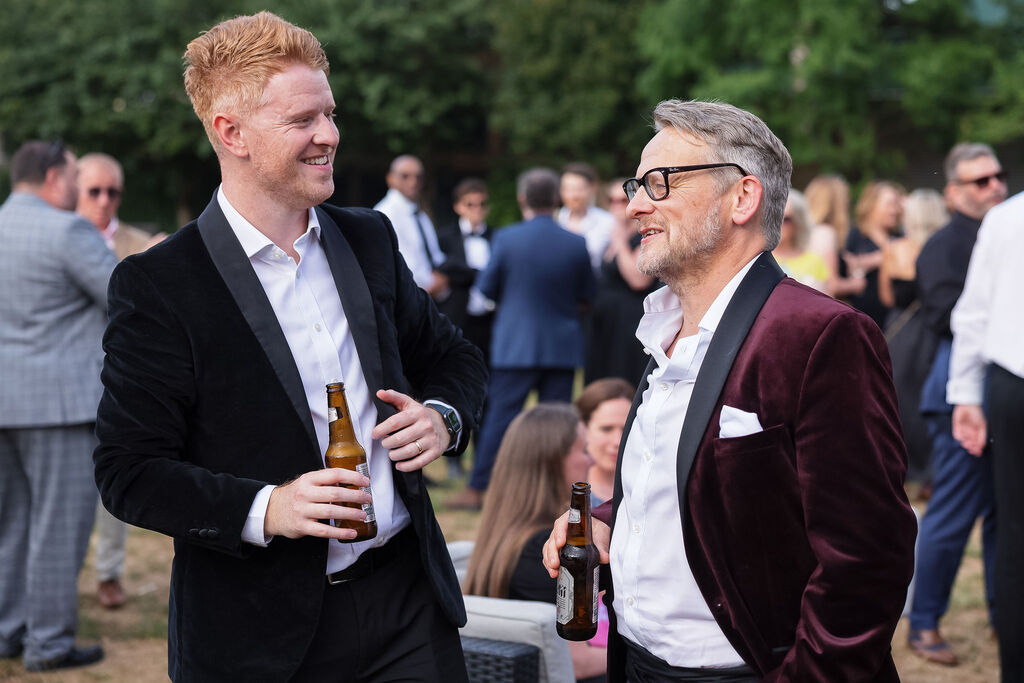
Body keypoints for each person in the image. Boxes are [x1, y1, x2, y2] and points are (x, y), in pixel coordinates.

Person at [92, 12, 486, 682]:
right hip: (259, 636)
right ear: (231, 133)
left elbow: (456, 358)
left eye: (329, 114)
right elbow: (129, 472)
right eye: (303, 119)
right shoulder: (160, 284)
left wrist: (443, 418)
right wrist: (268, 508)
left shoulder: (368, 238)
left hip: (408, 606)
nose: (329, 134)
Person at [542, 99, 916, 682]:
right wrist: (611, 518)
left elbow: (866, 559)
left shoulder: (819, 333)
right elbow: (711, 483)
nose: (636, 204)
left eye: (660, 182)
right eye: (637, 186)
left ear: (742, 197)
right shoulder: (662, 327)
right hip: (635, 662)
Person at [0, 141, 115, 671]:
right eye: (73, 176)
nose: (76, 186)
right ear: (51, 178)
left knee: (10, 524)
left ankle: (8, 630)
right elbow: (122, 295)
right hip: (60, 407)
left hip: (6, 403)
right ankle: (47, 643)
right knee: (58, 529)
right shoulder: (67, 231)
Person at [908, 143, 1007, 666]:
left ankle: (1004, 616)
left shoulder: (1010, 233)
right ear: (952, 193)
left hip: (1004, 393)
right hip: (960, 397)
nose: (995, 186)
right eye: (980, 180)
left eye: (998, 175)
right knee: (952, 512)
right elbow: (948, 316)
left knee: (1005, 516)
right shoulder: (944, 246)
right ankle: (923, 622)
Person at [448, 168, 595, 511]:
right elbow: (588, 295)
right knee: (559, 425)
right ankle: (558, 494)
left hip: (515, 345)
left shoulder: (507, 239)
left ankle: (478, 488)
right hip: (561, 346)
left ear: (522, 199)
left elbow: (486, 289)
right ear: (556, 199)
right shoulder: (576, 242)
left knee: (500, 418)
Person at [76, 152, 165, 610]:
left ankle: (108, 572)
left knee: (117, 476)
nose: (104, 200)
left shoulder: (137, 242)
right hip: (69, 379)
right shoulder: (62, 237)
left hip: (122, 377)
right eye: (94, 191)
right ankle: (60, 576)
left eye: (112, 191)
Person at [464, 403, 605, 683]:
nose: (591, 461)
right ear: (554, 461)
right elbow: (577, 662)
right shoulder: (547, 550)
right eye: (584, 450)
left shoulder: (507, 533)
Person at [948, 185, 1024, 683]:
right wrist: (966, 395)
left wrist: (965, 393)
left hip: (1011, 383)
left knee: (1017, 536)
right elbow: (975, 313)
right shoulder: (1006, 217)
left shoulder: (1007, 216)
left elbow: (974, 313)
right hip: (1012, 382)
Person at [878, 187, 948, 490]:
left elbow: (887, 296)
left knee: (901, 402)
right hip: (937, 331)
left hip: (902, 334)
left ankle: (904, 471)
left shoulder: (896, 249)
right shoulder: (945, 251)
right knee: (936, 399)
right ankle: (934, 473)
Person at [584, 180, 658, 386]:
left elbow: (638, 280)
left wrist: (619, 239)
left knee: (624, 379)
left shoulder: (644, 234)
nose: (616, 206)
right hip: (605, 323)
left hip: (628, 323)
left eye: (622, 200)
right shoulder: (610, 235)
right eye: (611, 200)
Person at [434, 177, 494, 366]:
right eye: (470, 204)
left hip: (491, 318)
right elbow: (446, 269)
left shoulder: (497, 237)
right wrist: (480, 273)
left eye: (482, 204)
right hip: (457, 316)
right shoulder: (444, 238)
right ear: (458, 207)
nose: (477, 209)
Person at [374, 154, 450, 299]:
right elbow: (397, 264)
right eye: (405, 176)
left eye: (418, 177)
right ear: (390, 178)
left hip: (428, 294)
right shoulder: (385, 213)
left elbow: (434, 255)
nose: (413, 182)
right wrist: (431, 284)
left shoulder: (419, 213)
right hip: (407, 297)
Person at [844, 181, 906, 330]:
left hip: (895, 320)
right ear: (872, 205)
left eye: (896, 205)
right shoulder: (855, 235)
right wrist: (882, 257)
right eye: (890, 204)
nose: (895, 210)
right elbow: (846, 266)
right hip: (862, 319)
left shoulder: (900, 236)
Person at [575, 378, 634, 505]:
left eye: (626, 430)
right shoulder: (562, 495)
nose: (618, 441)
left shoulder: (651, 491)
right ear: (583, 428)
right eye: (606, 429)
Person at [804, 173, 864, 300]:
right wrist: (857, 282)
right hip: (819, 304)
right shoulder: (825, 233)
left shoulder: (805, 231)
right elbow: (832, 285)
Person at [557, 162, 615, 270]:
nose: (573, 195)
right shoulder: (555, 220)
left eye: (579, 189)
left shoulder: (608, 222)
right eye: (568, 189)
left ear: (592, 188)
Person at [772, 188, 831, 294]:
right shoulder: (758, 259)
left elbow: (826, 301)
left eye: (785, 219)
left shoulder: (814, 261)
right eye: (774, 217)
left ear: (798, 222)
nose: (778, 224)